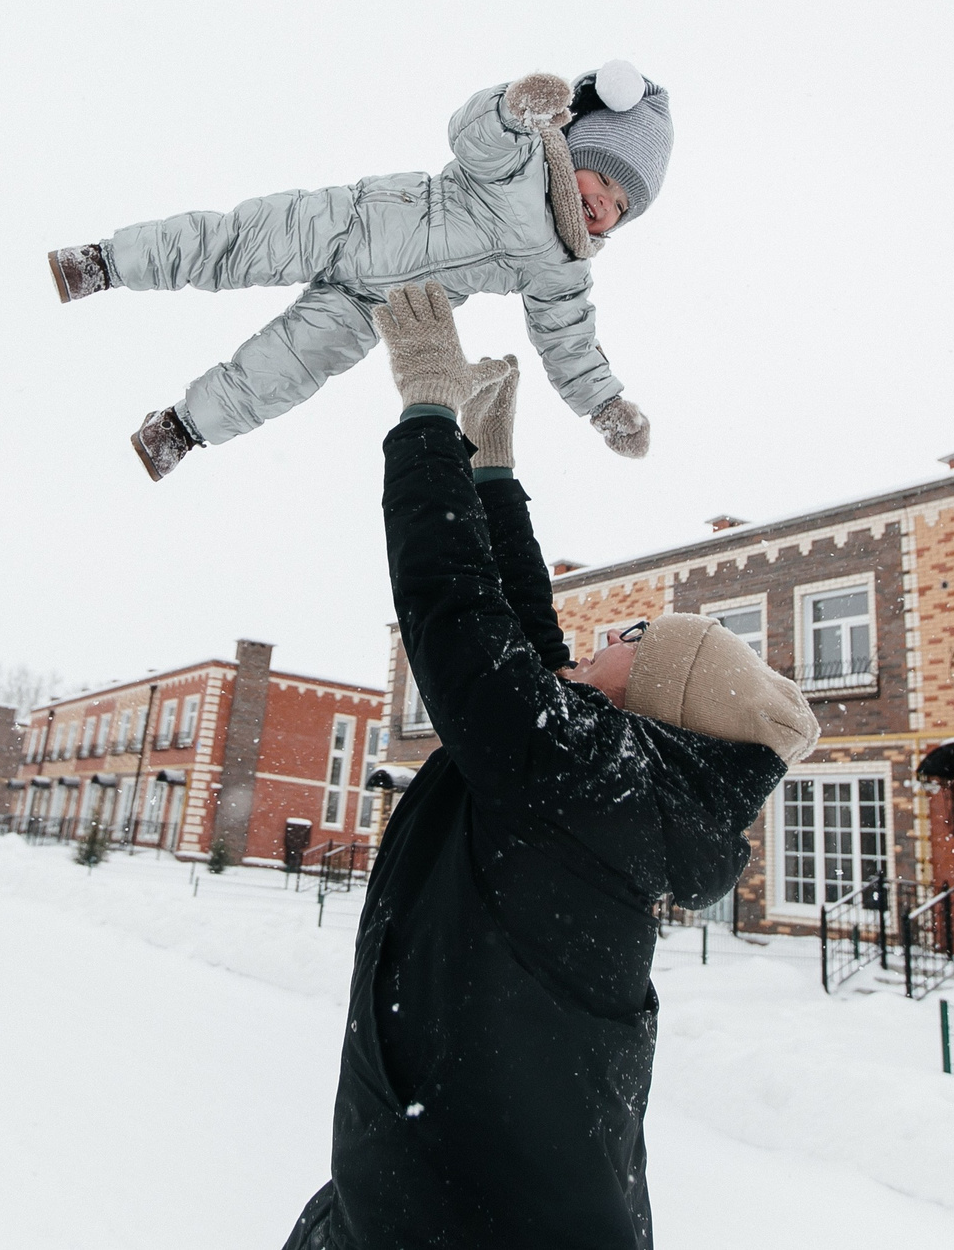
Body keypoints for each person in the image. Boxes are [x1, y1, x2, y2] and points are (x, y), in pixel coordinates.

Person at [281, 283, 817, 1250]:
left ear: (647, 695)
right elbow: (527, 640)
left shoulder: (591, 775)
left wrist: (427, 412)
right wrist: (491, 475)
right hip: (447, 1195)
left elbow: (459, 621)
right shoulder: (606, 784)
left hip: (452, 1217)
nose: (609, 631)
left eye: (635, 636)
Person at [47, 63, 674, 479]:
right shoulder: (525, 160)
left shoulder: (562, 268)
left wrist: (603, 404)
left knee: (290, 367)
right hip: (349, 220)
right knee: (226, 243)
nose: (606, 207)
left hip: (382, 307)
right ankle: (103, 263)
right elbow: (470, 136)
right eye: (609, 181)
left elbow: (570, 342)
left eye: (623, 209)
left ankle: (181, 429)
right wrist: (512, 109)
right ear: (582, 147)